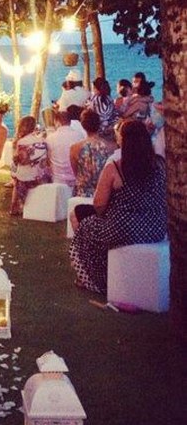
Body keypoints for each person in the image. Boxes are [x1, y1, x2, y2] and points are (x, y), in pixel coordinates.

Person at [69, 120, 167, 294]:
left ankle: (93, 277)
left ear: (125, 140)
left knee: (84, 222)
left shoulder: (116, 166)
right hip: (156, 227)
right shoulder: (160, 164)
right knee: (92, 220)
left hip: (124, 228)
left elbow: (99, 204)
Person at [10, 116, 51, 215]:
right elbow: (45, 161)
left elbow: (17, 162)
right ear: (34, 127)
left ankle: (14, 207)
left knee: (16, 177)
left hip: (23, 180)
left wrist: (13, 175)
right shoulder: (42, 141)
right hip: (38, 180)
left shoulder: (19, 142)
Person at [69, 109, 111, 197]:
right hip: (103, 193)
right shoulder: (110, 147)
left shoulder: (74, 148)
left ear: (83, 125)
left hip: (82, 193)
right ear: (99, 124)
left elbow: (76, 173)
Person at [45, 110, 85, 187]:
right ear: (70, 122)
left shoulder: (50, 138)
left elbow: (48, 160)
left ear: (57, 122)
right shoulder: (79, 135)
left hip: (57, 180)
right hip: (75, 178)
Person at [87, 78, 118, 142]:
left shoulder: (94, 99)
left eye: (93, 88)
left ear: (96, 89)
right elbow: (115, 115)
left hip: (98, 132)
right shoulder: (109, 98)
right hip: (110, 131)